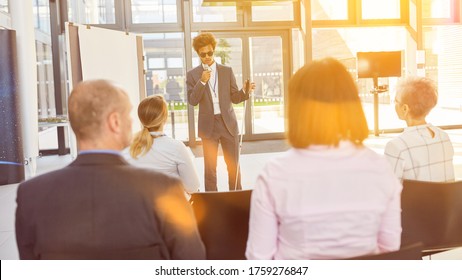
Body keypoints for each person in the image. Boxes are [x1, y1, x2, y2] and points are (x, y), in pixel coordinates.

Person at [15, 80, 205, 260]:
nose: (132, 123)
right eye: (128, 115)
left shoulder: (30, 195)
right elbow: (191, 262)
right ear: (115, 122)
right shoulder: (165, 189)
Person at [245, 58, 402, 260]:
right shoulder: (381, 168)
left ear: (296, 109)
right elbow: (390, 249)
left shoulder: (274, 174)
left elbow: (259, 259)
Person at [186, 32, 255, 192]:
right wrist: (202, 81)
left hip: (228, 125)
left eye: (210, 53)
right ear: (198, 54)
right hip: (208, 126)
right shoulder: (193, 75)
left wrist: (245, 91)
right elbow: (192, 100)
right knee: (210, 169)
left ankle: (236, 199)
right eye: (203, 54)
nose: (207, 57)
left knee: (233, 166)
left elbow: (235, 98)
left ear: (213, 51)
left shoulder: (226, 71)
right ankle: (213, 204)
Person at [125, 95, 200, 198]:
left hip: (139, 210)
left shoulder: (127, 148)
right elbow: (192, 187)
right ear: (164, 118)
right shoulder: (176, 147)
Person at [384, 77, 455, 182]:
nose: (394, 104)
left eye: (395, 101)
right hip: (445, 198)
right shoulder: (444, 137)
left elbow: (388, 189)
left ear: (405, 109)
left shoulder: (397, 146)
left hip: (414, 199)